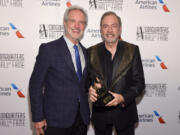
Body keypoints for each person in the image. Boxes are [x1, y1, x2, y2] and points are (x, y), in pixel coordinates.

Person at [29, 5, 90, 135]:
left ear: (85, 26)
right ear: (65, 22)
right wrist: (38, 118)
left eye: (81, 22)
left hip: (81, 120)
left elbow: (82, 85)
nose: (77, 26)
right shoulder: (48, 49)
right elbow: (35, 85)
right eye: (73, 21)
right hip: (55, 121)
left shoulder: (86, 52)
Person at [88, 11, 145, 135]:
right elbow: (85, 81)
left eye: (113, 26)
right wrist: (89, 89)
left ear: (120, 29)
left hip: (125, 114)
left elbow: (139, 83)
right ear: (100, 30)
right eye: (105, 26)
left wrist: (123, 98)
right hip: (100, 117)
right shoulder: (90, 52)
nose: (109, 30)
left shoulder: (132, 50)